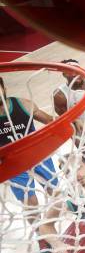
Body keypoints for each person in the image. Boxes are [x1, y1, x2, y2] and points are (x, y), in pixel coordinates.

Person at [0, 77, 56, 224]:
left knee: (54, 192)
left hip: (37, 156)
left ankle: (53, 223)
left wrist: (72, 121)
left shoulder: (23, 104)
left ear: (4, 89)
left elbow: (51, 121)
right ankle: (40, 234)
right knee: (30, 203)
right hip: (13, 163)